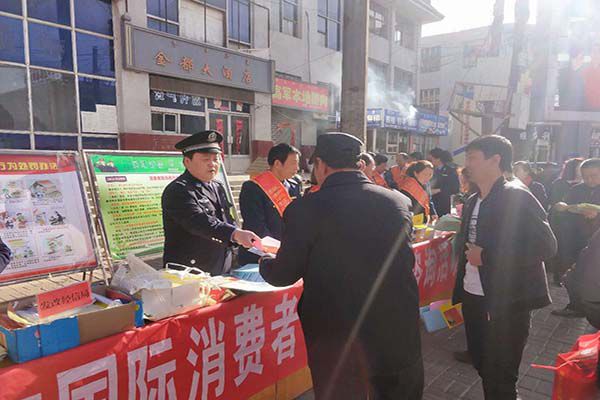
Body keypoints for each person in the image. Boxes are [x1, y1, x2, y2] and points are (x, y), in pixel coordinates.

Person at [259, 132, 423, 400]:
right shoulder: (397, 201)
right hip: (395, 325)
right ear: (360, 164)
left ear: (321, 165)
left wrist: (264, 261)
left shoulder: (304, 209)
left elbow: (283, 274)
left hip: (336, 336)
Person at [452, 135, 556, 399]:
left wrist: (487, 256)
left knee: (501, 373)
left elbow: (546, 246)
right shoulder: (474, 199)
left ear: (495, 159)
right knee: (481, 361)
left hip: (508, 299)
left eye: (472, 158)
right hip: (474, 294)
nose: (467, 165)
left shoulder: (516, 196)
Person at [162, 130, 260, 275]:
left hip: (220, 266)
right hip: (189, 272)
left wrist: (237, 239)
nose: (212, 164)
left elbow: (226, 219)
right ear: (187, 162)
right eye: (206, 159)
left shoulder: (217, 186)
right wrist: (235, 233)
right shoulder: (178, 190)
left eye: (216, 159)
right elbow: (199, 222)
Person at [238, 144, 302, 266]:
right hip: (260, 255)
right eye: (293, 163)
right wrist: (277, 250)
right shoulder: (252, 188)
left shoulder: (294, 186)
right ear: (277, 164)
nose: (297, 168)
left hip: (287, 253)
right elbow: (255, 225)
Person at [551, 158, 600, 316]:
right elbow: (563, 208)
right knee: (572, 276)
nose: (589, 180)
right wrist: (563, 208)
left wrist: (596, 217)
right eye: (585, 176)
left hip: (596, 242)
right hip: (576, 239)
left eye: (594, 176)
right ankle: (576, 306)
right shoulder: (576, 189)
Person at [428, 148, 460, 216]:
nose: (430, 162)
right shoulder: (432, 169)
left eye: (431, 159)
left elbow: (455, 188)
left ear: (438, 159)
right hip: (431, 203)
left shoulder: (450, 170)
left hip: (443, 204)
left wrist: (438, 190)